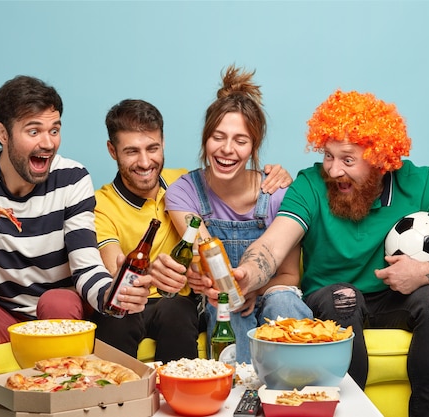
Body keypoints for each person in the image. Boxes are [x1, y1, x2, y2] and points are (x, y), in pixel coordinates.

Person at [219, 89, 429, 417]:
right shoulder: (311, 184)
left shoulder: (422, 183)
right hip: (330, 300)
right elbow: (271, 246)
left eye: (348, 160)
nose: (334, 170)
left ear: (382, 160)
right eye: (328, 155)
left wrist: (424, 273)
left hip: (395, 300)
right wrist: (245, 275)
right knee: (344, 298)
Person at [0, 76, 150, 399]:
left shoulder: (72, 178)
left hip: (59, 304)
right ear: (2, 133)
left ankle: (61, 405)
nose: (48, 143)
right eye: (33, 131)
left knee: (57, 300)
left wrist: (113, 295)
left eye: (55, 129)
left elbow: (86, 266)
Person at [91, 98, 293, 363]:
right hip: (133, 302)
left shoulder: (182, 182)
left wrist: (277, 175)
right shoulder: (100, 203)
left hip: (180, 305)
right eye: (131, 151)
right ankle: (116, 399)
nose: (144, 162)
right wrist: (151, 272)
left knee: (177, 312)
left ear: (163, 143)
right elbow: (115, 268)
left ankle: (183, 396)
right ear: (112, 150)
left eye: (152, 148)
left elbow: (228, 180)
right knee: (116, 320)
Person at [165, 66, 314, 365]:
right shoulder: (184, 193)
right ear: (206, 139)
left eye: (240, 141)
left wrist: (254, 289)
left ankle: (303, 391)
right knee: (228, 309)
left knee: (284, 301)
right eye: (218, 137)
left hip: (269, 290)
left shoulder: (277, 194)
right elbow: (210, 269)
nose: (227, 149)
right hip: (217, 298)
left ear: (254, 147)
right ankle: (239, 398)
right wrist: (228, 291)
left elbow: (289, 275)